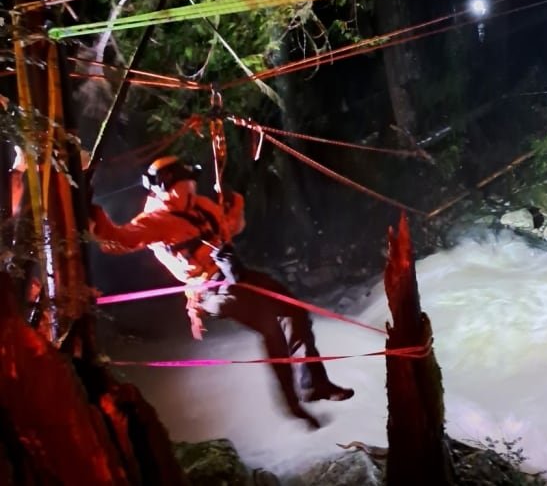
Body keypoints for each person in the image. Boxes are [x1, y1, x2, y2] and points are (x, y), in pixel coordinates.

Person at [89, 155, 354, 429]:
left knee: (293, 312)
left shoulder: (200, 205)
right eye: (186, 181)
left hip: (234, 274)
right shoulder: (155, 221)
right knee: (269, 325)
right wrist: (93, 213)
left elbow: (231, 227)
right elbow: (117, 241)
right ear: (169, 185)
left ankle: (313, 383)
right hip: (209, 290)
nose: (192, 185)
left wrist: (233, 203)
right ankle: (294, 406)